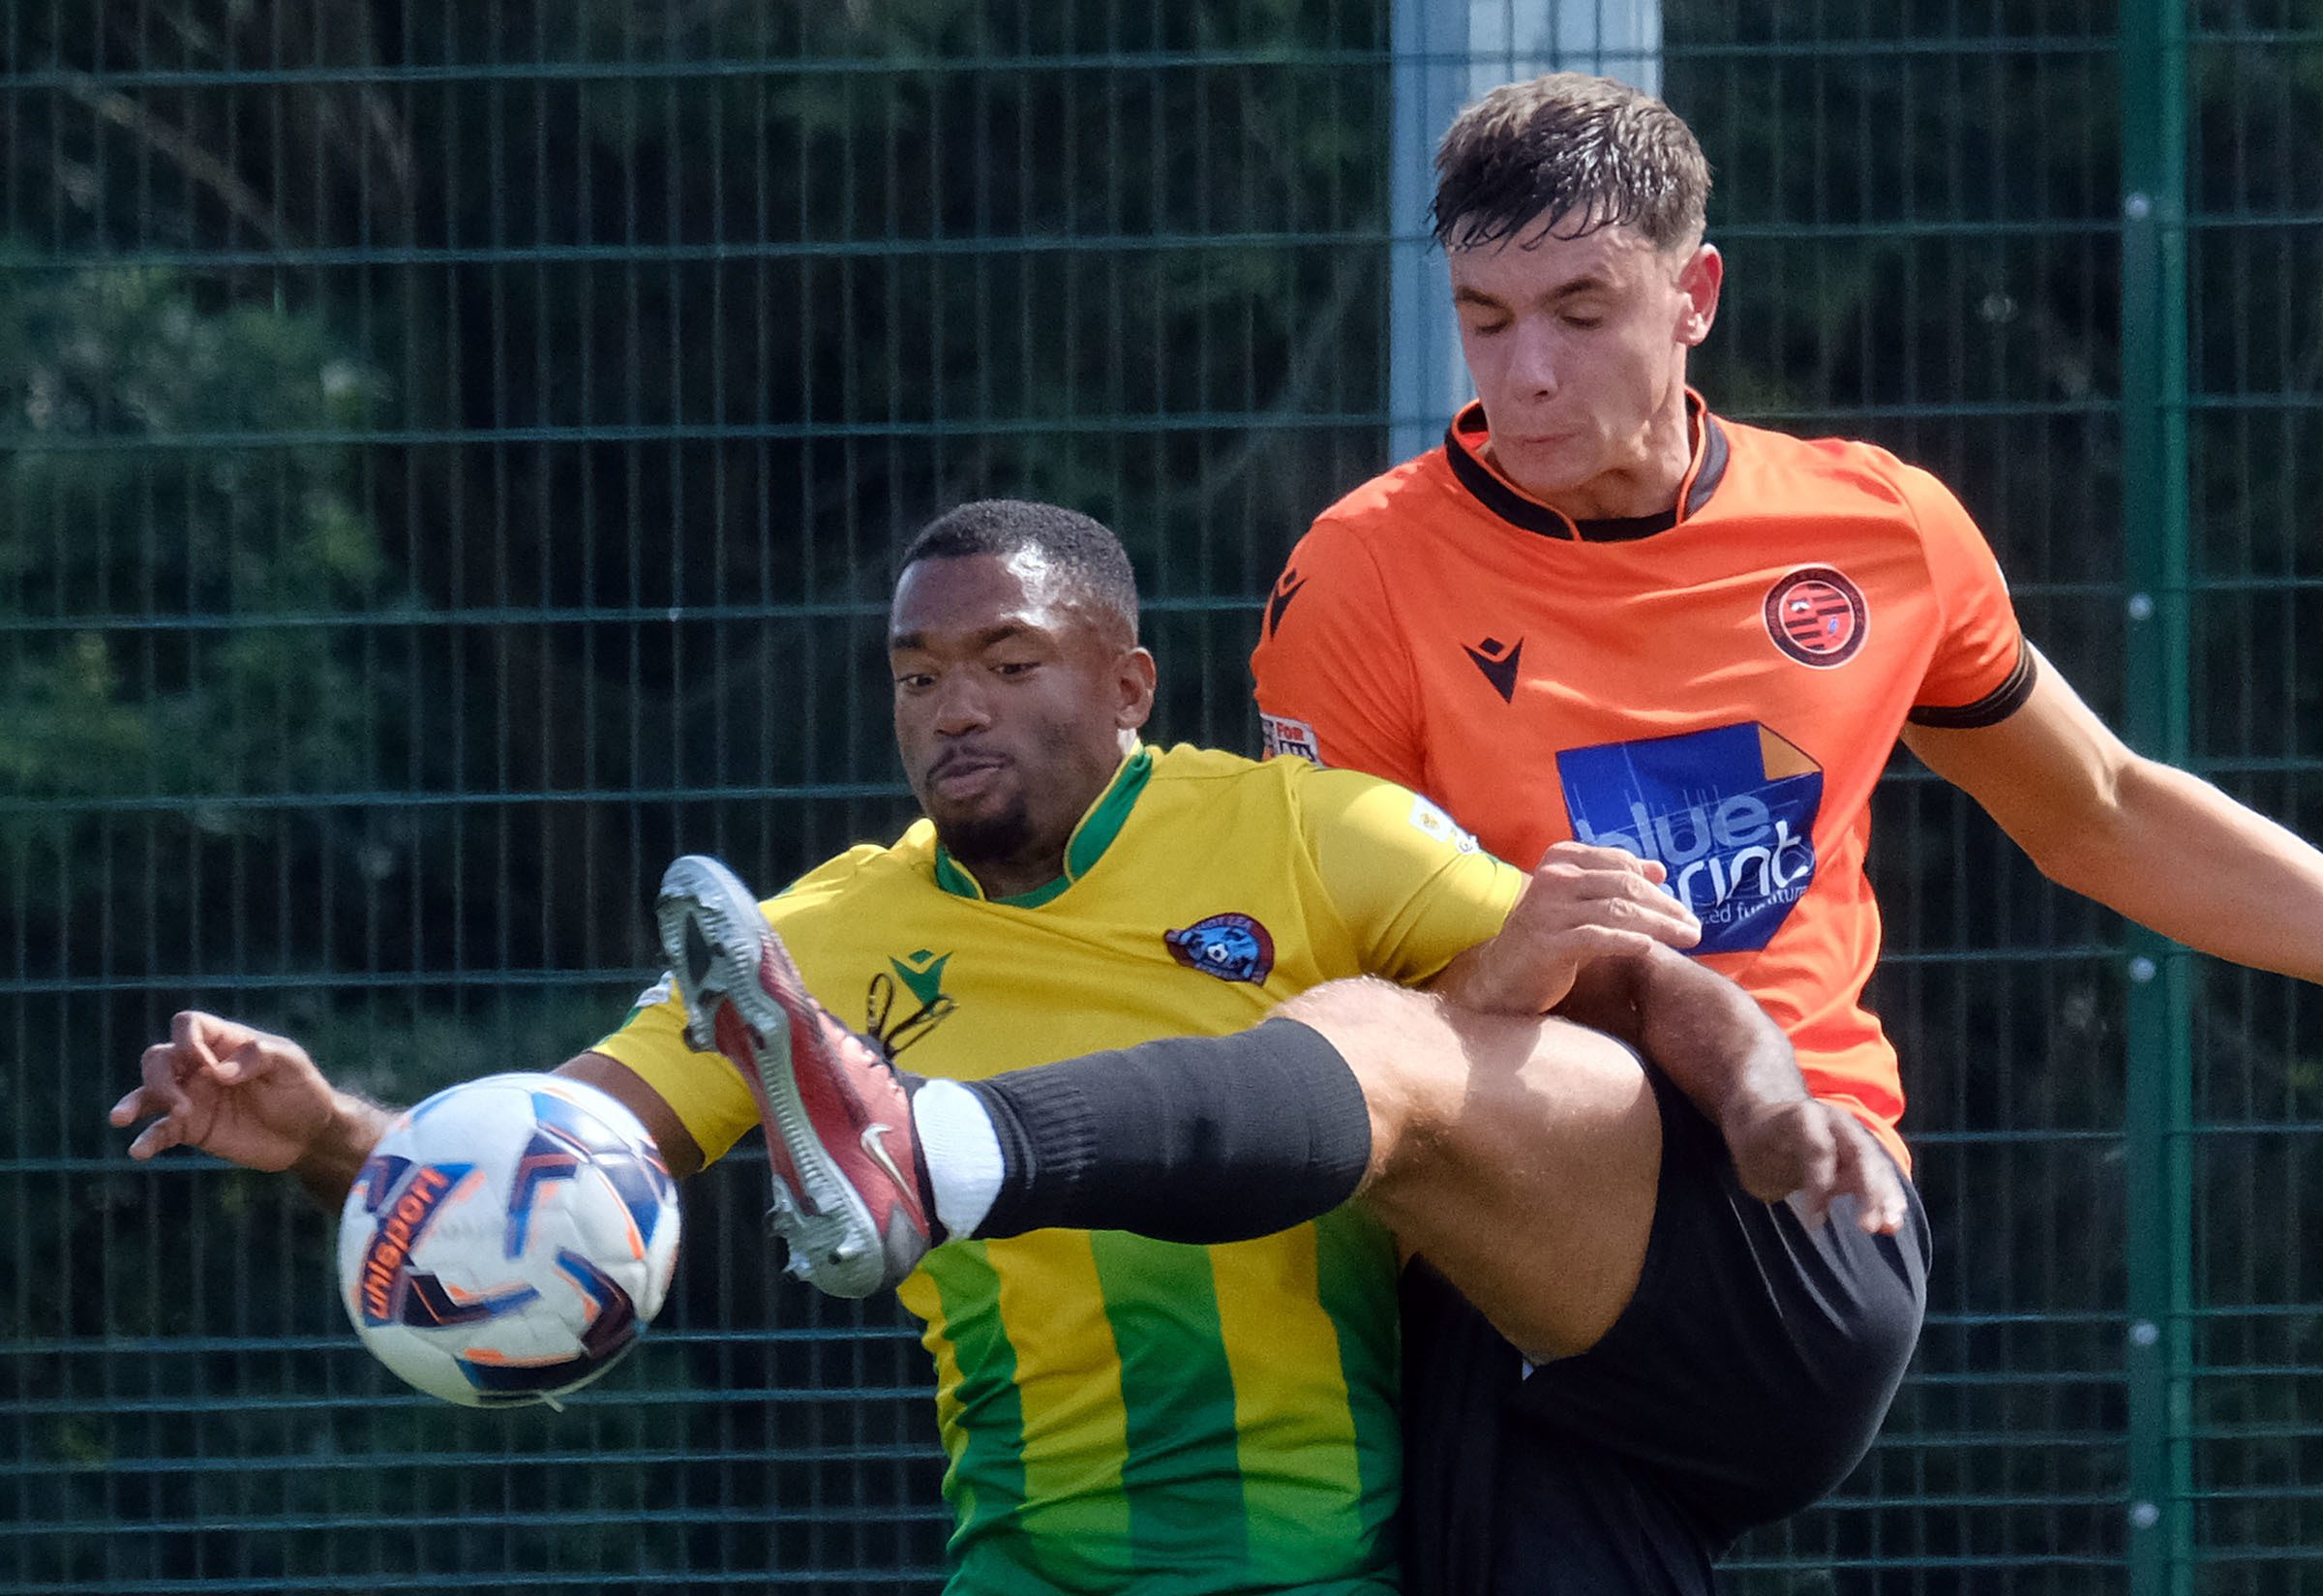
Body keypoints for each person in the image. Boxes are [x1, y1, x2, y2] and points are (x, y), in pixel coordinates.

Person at [115, 500, 1895, 1596]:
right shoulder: (822, 935)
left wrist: (1765, 1102)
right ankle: (915, 1148)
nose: (951, 705)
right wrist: (339, 1136)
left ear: (1128, 685)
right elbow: (564, 1174)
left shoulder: (1307, 835)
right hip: (1023, 1556)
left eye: (1005, 660)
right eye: (915, 673)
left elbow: (1625, 977)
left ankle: (936, 1146)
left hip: (1311, 1558)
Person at [1235, 70, 2323, 1591]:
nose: (1526, 371)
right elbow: (1313, 993)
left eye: (1581, 310)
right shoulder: (1361, 573)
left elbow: (2100, 809)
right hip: (1511, 1260)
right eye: (1486, 317)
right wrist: (1514, 965)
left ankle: (982, 1154)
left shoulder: (1879, 530)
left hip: (1801, 1207)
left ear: (1696, 297)